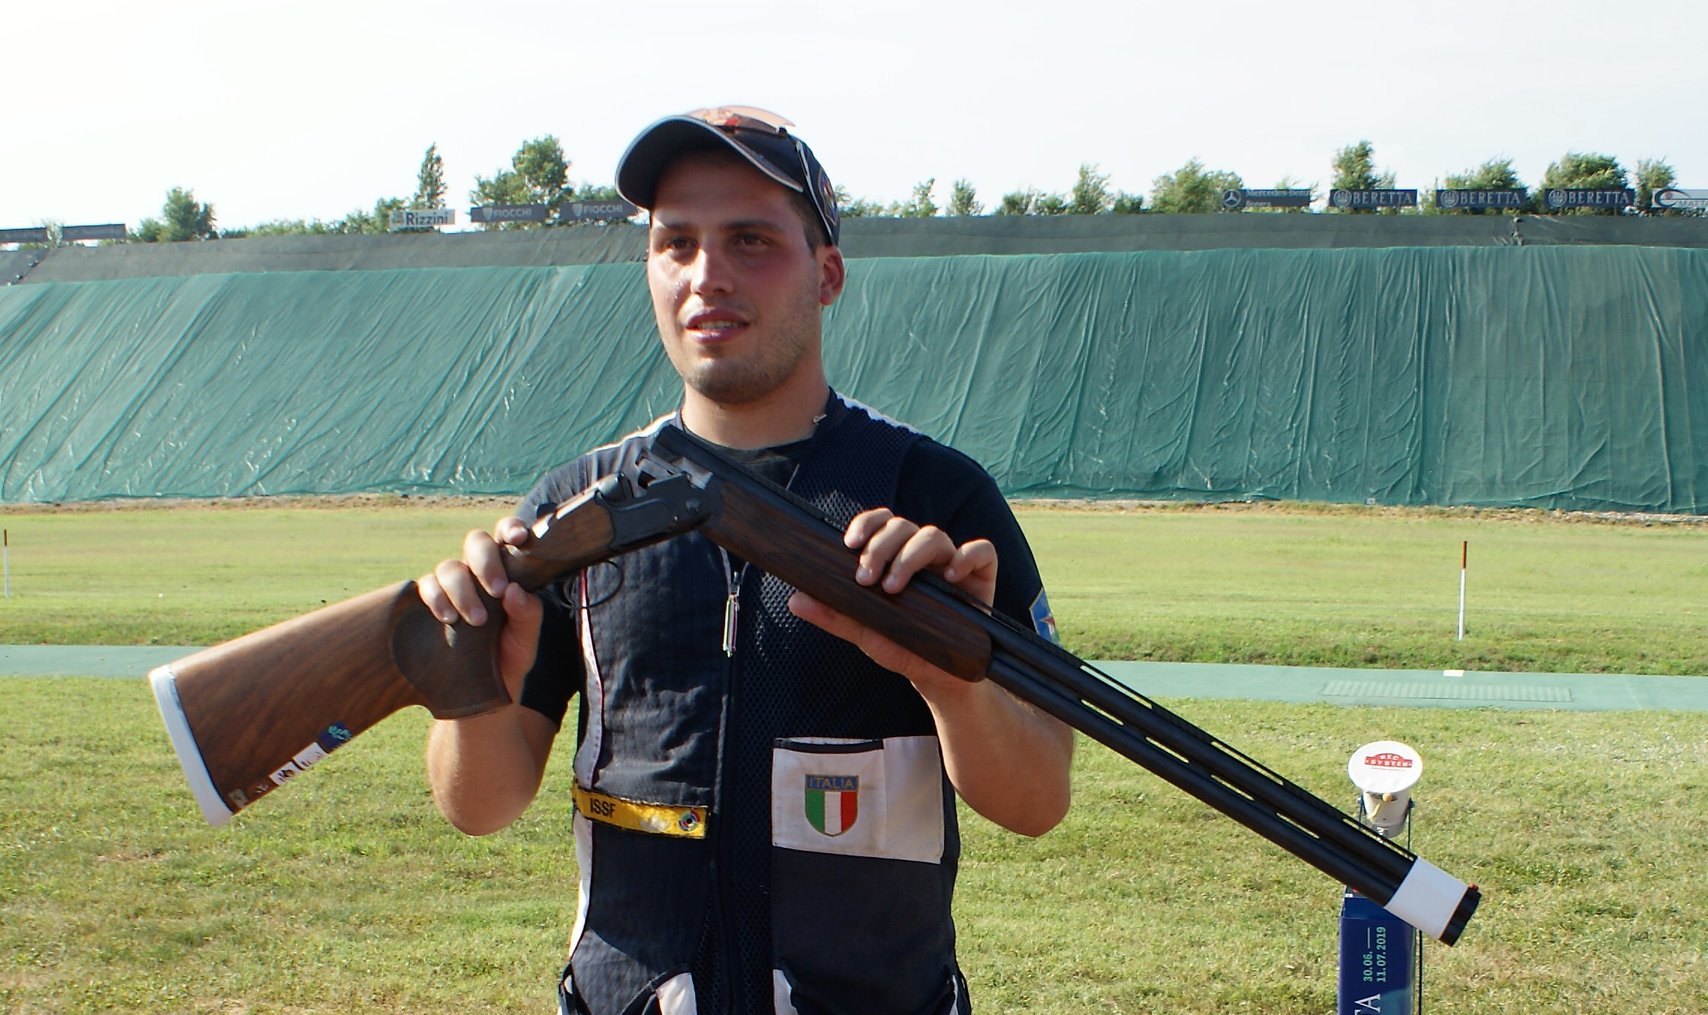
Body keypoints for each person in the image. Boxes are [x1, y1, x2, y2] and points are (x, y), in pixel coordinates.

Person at [419, 106, 1073, 1015]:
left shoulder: (935, 497)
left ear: (828, 273)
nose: (706, 275)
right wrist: (464, 677)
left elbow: (1039, 796)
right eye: (675, 242)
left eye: (752, 241)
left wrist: (950, 681)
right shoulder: (577, 506)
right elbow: (479, 803)